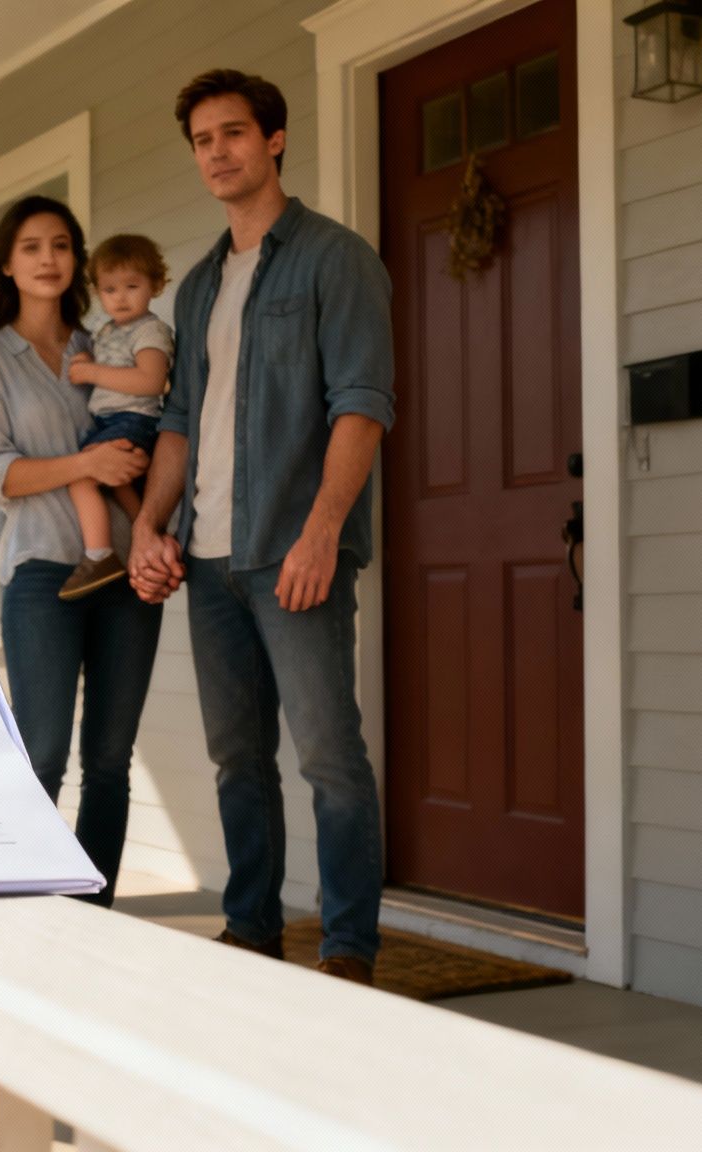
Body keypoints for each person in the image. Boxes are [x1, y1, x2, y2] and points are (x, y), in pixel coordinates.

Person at [126, 70, 397, 984]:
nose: (218, 152)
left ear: (274, 140)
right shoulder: (201, 284)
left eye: (234, 133)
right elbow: (179, 421)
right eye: (203, 140)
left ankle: (349, 951)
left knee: (328, 755)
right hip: (207, 562)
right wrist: (149, 525)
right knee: (237, 758)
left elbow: (363, 403)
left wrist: (322, 533)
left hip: (293, 552)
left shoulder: (336, 258)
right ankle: (251, 932)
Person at [0, 195, 165, 908]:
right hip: (44, 572)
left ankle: (92, 913)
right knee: (41, 755)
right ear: (6, 265)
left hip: (127, 572)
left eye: (62, 246)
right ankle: (20, 909)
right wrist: (86, 465)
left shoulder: (104, 345)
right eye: (32, 247)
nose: (49, 259)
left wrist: (154, 526)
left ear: (77, 260)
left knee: (109, 760)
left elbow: (153, 421)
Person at [59, 234, 174, 601]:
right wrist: (86, 361)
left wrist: (92, 372)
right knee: (118, 481)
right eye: (110, 289)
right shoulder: (107, 329)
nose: (120, 297)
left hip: (134, 418)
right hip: (110, 420)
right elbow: (111, 364)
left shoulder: (150, 330)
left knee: (81, 477)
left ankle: (99, 556)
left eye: (132, 286)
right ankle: (148, 535)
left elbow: (150, 380)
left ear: (156, 284)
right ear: (98, 292)